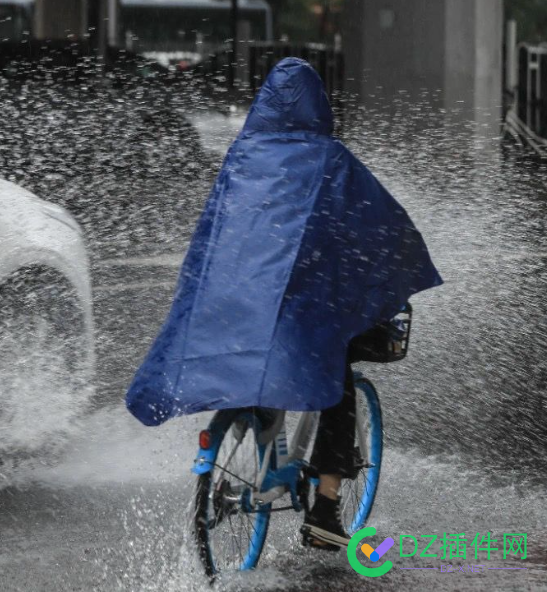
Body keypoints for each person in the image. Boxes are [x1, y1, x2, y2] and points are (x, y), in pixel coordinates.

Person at [125, 58, 442, 549]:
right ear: (318, 106)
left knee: (255, 359)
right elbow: (379, 231)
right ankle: (326, 509)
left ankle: (251, 459)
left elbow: (216, 238)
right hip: (297, 314)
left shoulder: (241, 157)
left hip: (232, 306)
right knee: (334, 386)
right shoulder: (330, 159)